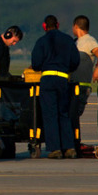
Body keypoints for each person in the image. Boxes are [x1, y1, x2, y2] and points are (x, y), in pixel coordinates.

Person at [31, 15, 80, 159]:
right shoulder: (67, 40)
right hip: (63, 79)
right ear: (58, 25)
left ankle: (55, 149)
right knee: (63, 114)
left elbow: (35, 64)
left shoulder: (41, 41)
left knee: (50, 115)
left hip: (48, 78)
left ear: (44, 26)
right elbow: (75, 61)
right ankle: (69, 148)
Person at [70, 15, 98, 146]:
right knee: (71, 115)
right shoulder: (77, 41)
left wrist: (97, 69)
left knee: (73, 114)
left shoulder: (89, 41)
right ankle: (73, 141)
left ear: (76, 26)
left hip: (81, 85)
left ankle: (75, 142)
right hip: (73, 85)